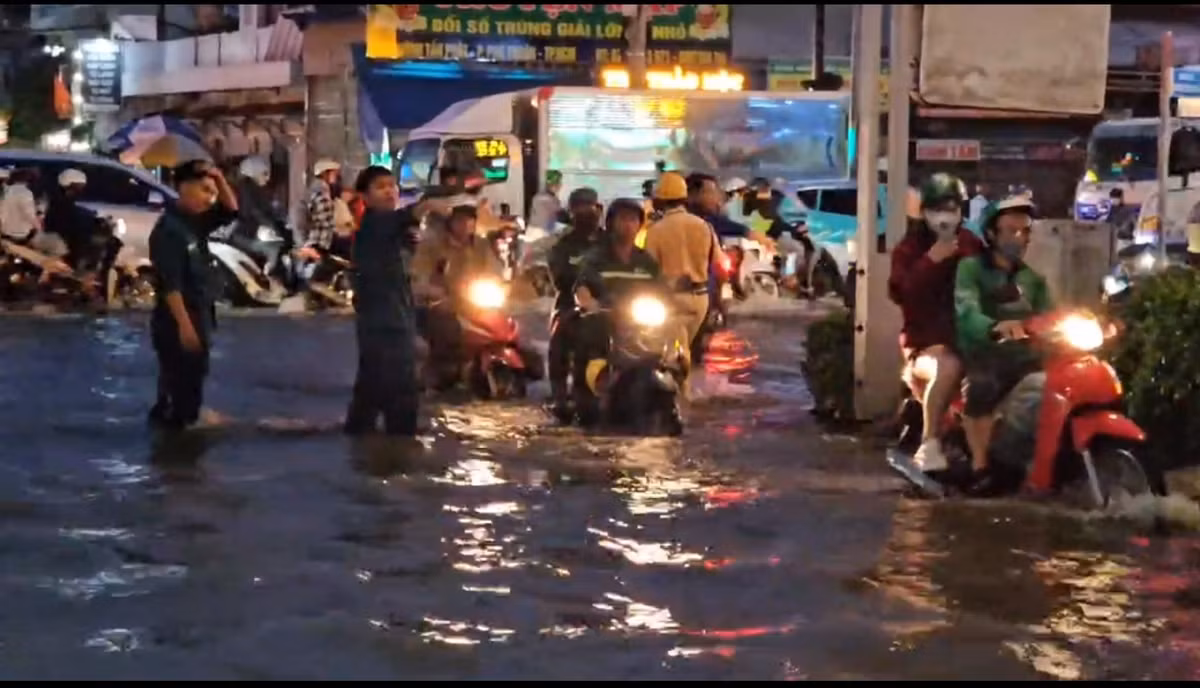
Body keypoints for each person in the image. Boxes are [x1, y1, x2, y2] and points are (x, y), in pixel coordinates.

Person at [888, 173, 985, 472]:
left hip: (970, 338)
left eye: (952, 208)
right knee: (949, 365)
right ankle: (929, 444)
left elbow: (993, 281)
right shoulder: (910, 248)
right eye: (938, 209)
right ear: (925, 212)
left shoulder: (970, 243)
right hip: (925, 344)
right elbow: (901, 292)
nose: (945, 216)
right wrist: (932, 260)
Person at [955, 195, 1053, 483]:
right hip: (982, 352)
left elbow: (1050, 314)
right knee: (983, 385)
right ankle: (980, 466)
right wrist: (995, 327)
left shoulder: (1033, 280)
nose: (1020, 238)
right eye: (1012, 230)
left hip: (1025, 356)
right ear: (991, 234)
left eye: (1025, 231)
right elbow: (966, 310)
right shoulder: (971, 269)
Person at [344, 165, 447, 436]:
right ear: (364, 197)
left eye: (392, 185)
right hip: (385, 325)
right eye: (380, 187)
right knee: (401, 396)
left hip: (386, 320)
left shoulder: (392, 230)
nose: (390, 191)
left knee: (370, 395)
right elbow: (410, 214)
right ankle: (399, 461)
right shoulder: (376, 223)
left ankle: (366, 453)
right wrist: (430, 204)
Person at [147, 159, 238, 430]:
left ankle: (173, 449)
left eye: (211, 192)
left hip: (198, 313)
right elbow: (170, 285)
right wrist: (185, 327)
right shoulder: (169, 230)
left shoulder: (193, 223)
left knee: (188, 385)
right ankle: (176, 455)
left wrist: (220, 178)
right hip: (178, 319)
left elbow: (230, 211)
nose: (209, 198)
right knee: (181, 389)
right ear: (183, 188)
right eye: (204, 190)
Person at [573, 198, 667, 420]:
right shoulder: (596, 258)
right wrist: (588, 303)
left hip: (640, 328)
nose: (628, 225)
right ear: (611, 223)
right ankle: (583, 403)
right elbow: (582, 286)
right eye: (622, 219)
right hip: (604, 325)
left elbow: (661, 290)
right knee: (587, 352)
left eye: (633, 219)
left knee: (670, 356)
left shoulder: (646, 261)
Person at [410, 200, 505, 380]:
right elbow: (419, 273)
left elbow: (494, 269)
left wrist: (500, 283)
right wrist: (432, 290)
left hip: (473, 301)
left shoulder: (481, 245)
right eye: (460, 220)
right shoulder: (433, 246)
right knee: (446, 331)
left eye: (470, 221)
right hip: (440, 303)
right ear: (451, 223)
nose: (465, 225)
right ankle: (435, 372)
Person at [642, 171, 717, 365]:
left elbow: (648, 270)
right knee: (685, 349)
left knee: (672, 353)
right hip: (701, 300)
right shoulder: (704, 226)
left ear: (659, 201)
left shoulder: (655, 231)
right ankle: (686, 388)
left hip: (671, 301)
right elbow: (717, 263)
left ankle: (680, 392)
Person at [545, 187, 602, 420]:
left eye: (590, 207)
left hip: (609, 306)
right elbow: (560, 278)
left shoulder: (611, 242)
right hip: (572, 306)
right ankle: (560, 397)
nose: (586, 212)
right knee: (559, 340)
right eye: (580, 208)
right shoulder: (563, 246)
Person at [299, 158, 341, 260]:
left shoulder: (316, 189)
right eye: (334, 173)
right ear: (325, 173)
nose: (336, 176)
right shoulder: (321, 191)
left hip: (317, 240)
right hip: (319, 241)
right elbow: (325, 219)